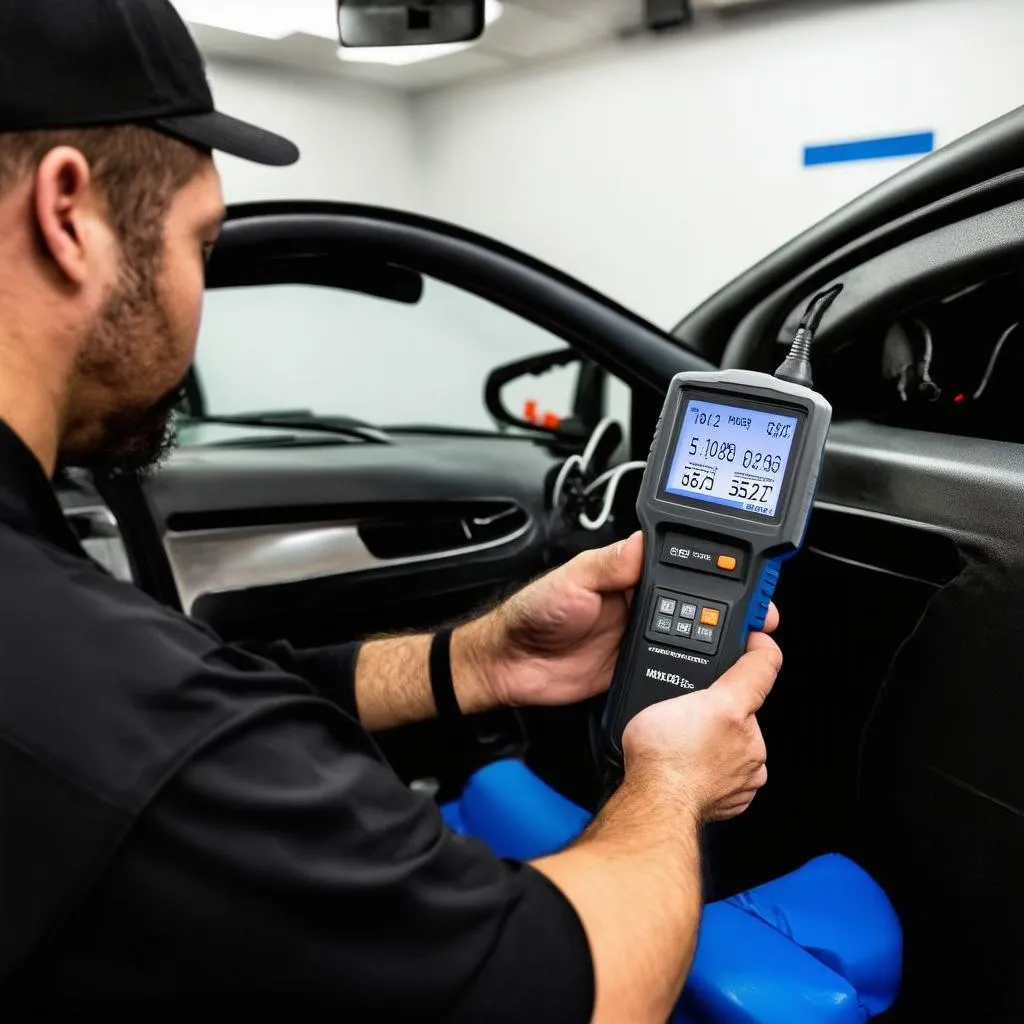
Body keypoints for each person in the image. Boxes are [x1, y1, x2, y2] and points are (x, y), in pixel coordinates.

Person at [0, 2, 781, 1021]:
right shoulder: (119, 729)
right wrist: (671, 781)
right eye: (203, 243)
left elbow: (206, 692)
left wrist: (480, 658)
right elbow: (564, 991)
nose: (200, 294)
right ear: (69, 217)